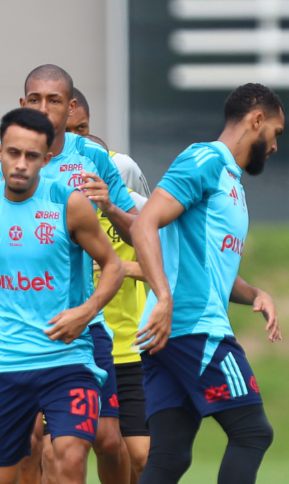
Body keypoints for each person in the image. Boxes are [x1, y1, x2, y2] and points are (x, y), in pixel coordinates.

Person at [0, 65, 138, 484]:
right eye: (13, 154)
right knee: (9, 467)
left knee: (88, 448)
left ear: (46, 158)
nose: (21, 164)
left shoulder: (79, 184)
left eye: (31, 156)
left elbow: (121, 251)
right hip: (7, 357)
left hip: (71, 349)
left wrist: (86, 311)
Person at [132, 83, 283, 484]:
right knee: (253, 432)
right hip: (191, 327)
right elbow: (146, 223)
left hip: (165, 333)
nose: (275, 146)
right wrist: (164, 297)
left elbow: (214, 270)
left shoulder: (231, 183)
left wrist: (255, 294)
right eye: (276, 133)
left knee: (170, 456)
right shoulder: (204, 159)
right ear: (256, 120)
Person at [38, 89, 151, 484]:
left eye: (80, 129)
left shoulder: (116, 178)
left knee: (131, 451)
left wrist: (111, 213)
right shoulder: (26, 178)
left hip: (124, 341)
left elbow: (153, 250)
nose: (74, 139)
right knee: (49, 448)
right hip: (55, 335)